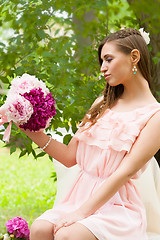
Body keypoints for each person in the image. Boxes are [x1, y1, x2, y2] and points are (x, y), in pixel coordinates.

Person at [18, 28, 160, 240]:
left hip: (116, 206)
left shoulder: (155, 116)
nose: (103, 68)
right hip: (77, 196)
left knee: (69, 235)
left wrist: (81, 213)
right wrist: (29, 128)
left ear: (134, 56)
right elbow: (69, 157)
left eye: (108, 59)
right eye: (101, 61)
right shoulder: (102, 103)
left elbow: (125, 172)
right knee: (39, 229)